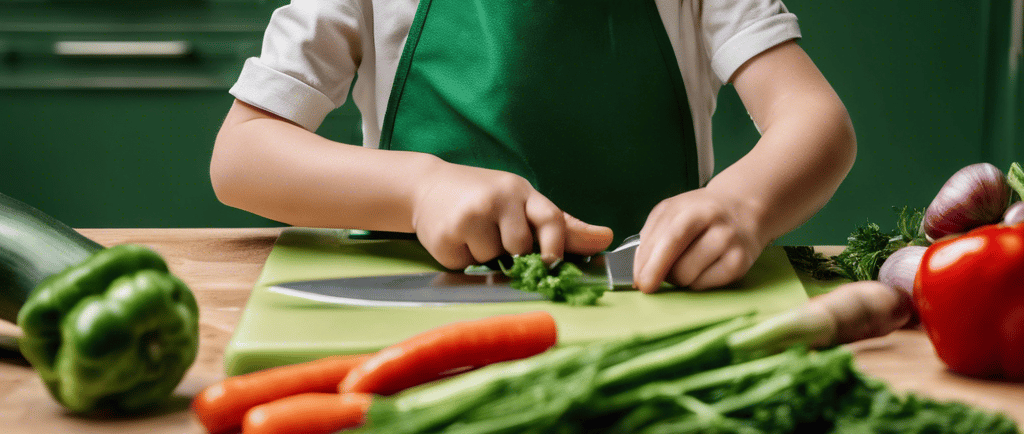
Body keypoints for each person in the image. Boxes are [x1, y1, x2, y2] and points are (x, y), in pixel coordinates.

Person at [210, 0, 856, 294]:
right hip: (427, 305)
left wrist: (743, 204)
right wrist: (422, 189)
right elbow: (242, 155)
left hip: (653, 296)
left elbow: (815, 119)